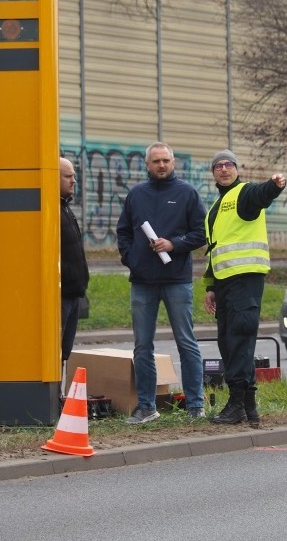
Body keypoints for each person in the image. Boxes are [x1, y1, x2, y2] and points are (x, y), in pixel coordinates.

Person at [117, 142, 207, 423]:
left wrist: (173, 244)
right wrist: (132, 259)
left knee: (186, 342)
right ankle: (146, 406)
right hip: (143, 281)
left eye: (166, 160)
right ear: (147, 165)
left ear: (173, 163)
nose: (161, 165)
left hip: (177, 279)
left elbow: (201, 232)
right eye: (155, 161)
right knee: (142, 345)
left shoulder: (187, 194)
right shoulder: (136, 195)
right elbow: (123, 232)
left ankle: (195, 404)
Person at [202, 150, 286, 425]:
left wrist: (274, 186)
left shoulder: (243, 193)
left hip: (245, 280)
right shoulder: (217, 206)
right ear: (213, 172)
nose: (224, 169)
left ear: (237, 169)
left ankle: (236, 404)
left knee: (239, 339)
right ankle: (249, 408)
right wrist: (211, 286)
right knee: (229, 342)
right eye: (218, 166)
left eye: (228, 165)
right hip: (225, 282)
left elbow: (259, 195)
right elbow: (215, 250)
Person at [59, 157, 90, 386]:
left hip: (73, 293)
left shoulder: (65, 207)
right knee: (55, 351)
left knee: (64, 352)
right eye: (68, 176)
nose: (73, 180)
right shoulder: (52, 210)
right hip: (59, 295)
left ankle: (57, 397)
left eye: (73, 176)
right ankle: (50, 398)